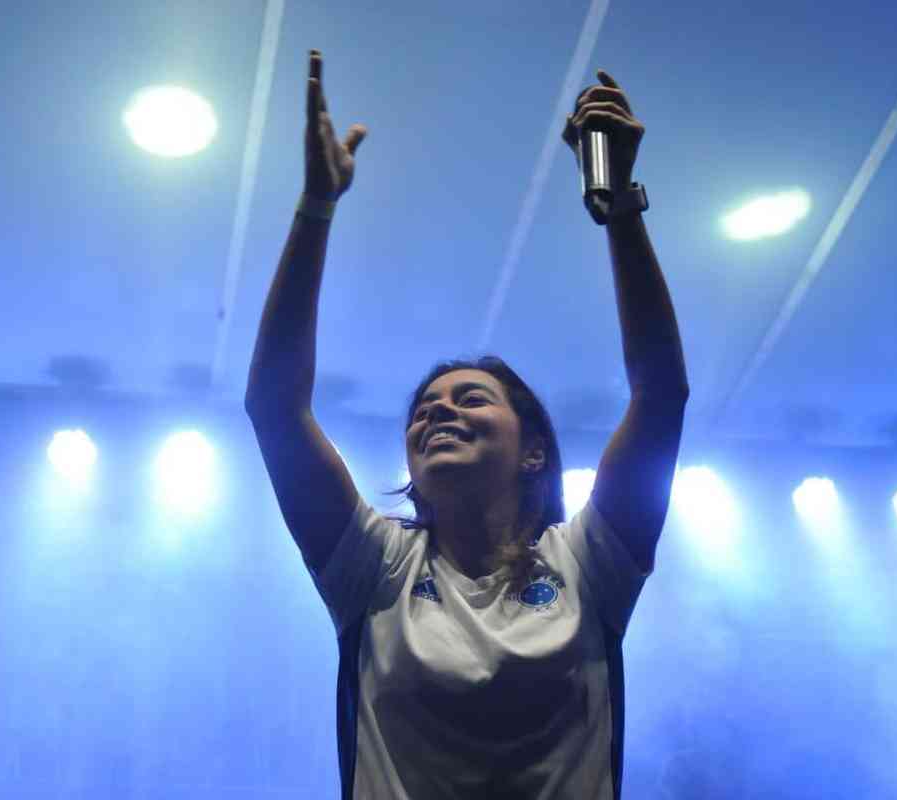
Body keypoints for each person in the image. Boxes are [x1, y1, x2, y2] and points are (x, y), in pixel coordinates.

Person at [245, 49, 687, 800]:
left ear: (534, 452)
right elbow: (275, 406)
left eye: (471, 398)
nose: (438, 411)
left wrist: (620, 209)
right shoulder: (374, 567)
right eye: (424, 409)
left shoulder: (591, 563)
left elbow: (661, 393)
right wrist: (315, 208)